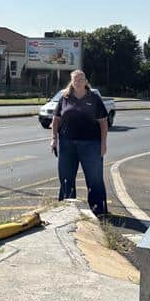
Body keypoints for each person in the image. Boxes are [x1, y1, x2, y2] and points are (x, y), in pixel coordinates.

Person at [50, 69, 109, 215]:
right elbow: (56, 119)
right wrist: (54, 139)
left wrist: (103, 143)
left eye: (81, 79)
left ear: (86, 81)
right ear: (72, 81)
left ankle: (98, 210)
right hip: (67, 144)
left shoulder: (94, 98)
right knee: (66, 178)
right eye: (75, 79)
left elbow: (103, 122)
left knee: (94, 179)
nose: (78, 81)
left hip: (91, 144)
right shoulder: (65, 98)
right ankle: (67, 209)